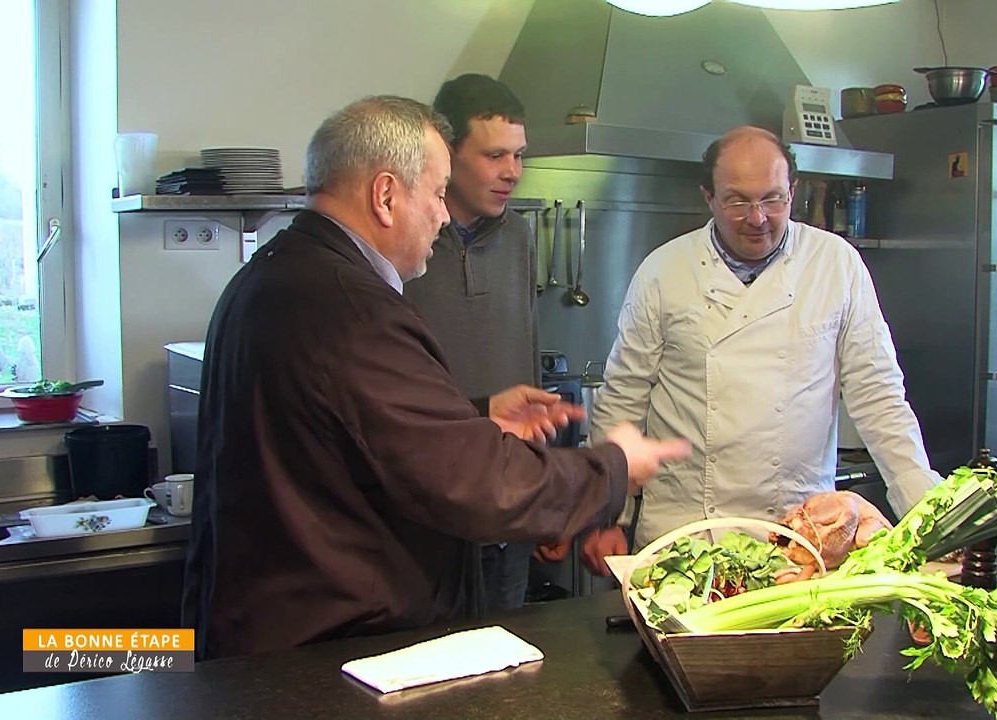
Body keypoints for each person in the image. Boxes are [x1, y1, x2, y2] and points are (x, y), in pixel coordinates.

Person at [181, 95, 689, 659]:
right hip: (332, 653)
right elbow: (477, 484)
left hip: (273, 635)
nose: (444, 215)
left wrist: (473, 416)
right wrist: (613, 468)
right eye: (438, 193)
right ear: (386, 195)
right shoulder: (354, 307)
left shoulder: (273, 274)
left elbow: (343, 431)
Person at [575, 125, 941, 572]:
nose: (758, 217)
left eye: (772, 198)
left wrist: (927, 511)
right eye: (737, 200)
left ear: (794, 191)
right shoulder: (664, 271)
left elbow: (879, 396)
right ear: (708, 196)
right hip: (684, 534)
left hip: (799, 536)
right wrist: (604, 516)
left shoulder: (835, 264)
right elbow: (622, 399)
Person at [404, 74, 537, 612]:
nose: (512, 172)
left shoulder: (521, 237)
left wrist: (540, 497)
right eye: (494, 155)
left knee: (504, 676)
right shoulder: (404, 244)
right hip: (430, 516)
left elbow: (527, 355)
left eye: (519, 156)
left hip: (508, 508)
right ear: (447, 153)